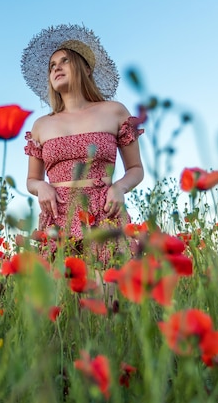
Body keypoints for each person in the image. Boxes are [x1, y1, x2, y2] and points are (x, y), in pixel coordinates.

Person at [21, 24, 144, 267]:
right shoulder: (41, 125)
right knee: (63, 300)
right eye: (52, 65)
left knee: (108, 297)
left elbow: (136, 169)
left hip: (104, 213)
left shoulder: (114, 111)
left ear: (86, 69)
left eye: (64, 60)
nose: (56, 67)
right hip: (58, 218)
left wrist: (119, 188)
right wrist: (41, 188)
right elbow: (31, 180)